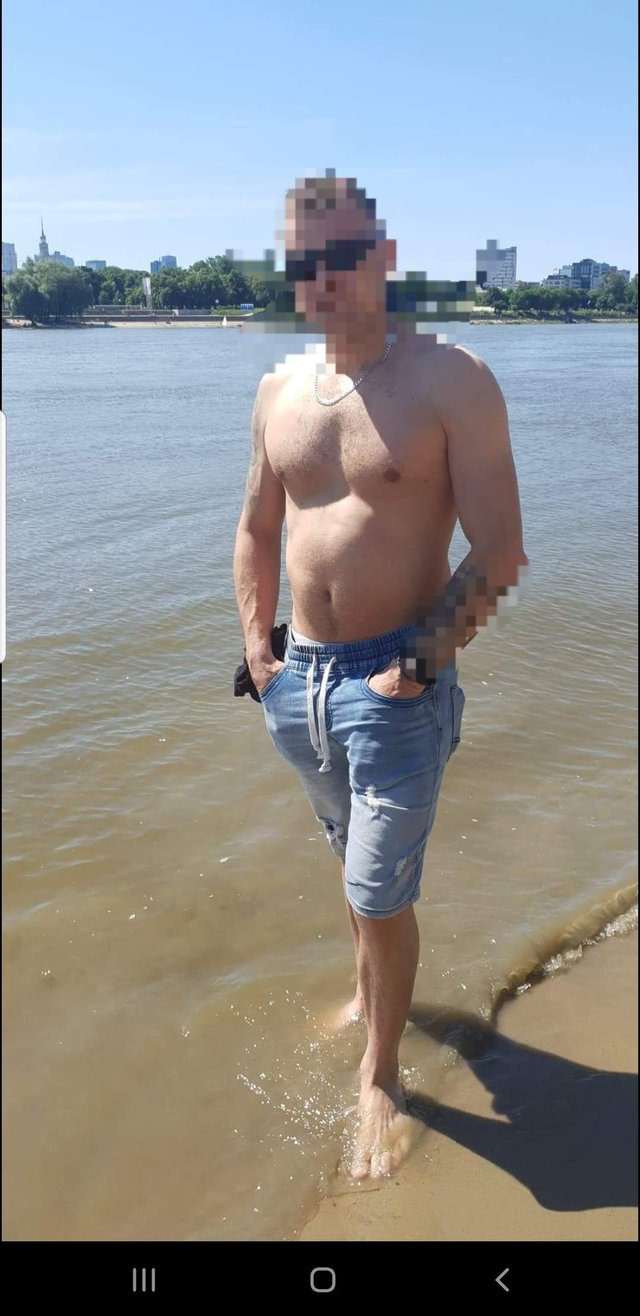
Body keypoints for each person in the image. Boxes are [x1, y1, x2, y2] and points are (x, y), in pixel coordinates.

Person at [233, 172, 528, 1179]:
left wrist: (416, 665)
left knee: (378, 887)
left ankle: (381, 1073)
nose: (322, 278)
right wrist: (259, 651)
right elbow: (256, 528)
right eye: (302, 262)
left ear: (385, 257)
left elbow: (499, 548)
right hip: (298, 685)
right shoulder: (277, 390)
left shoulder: (452, 379)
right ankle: (369, 992)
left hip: (395, 684)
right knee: (351, 862)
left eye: (343, 255)